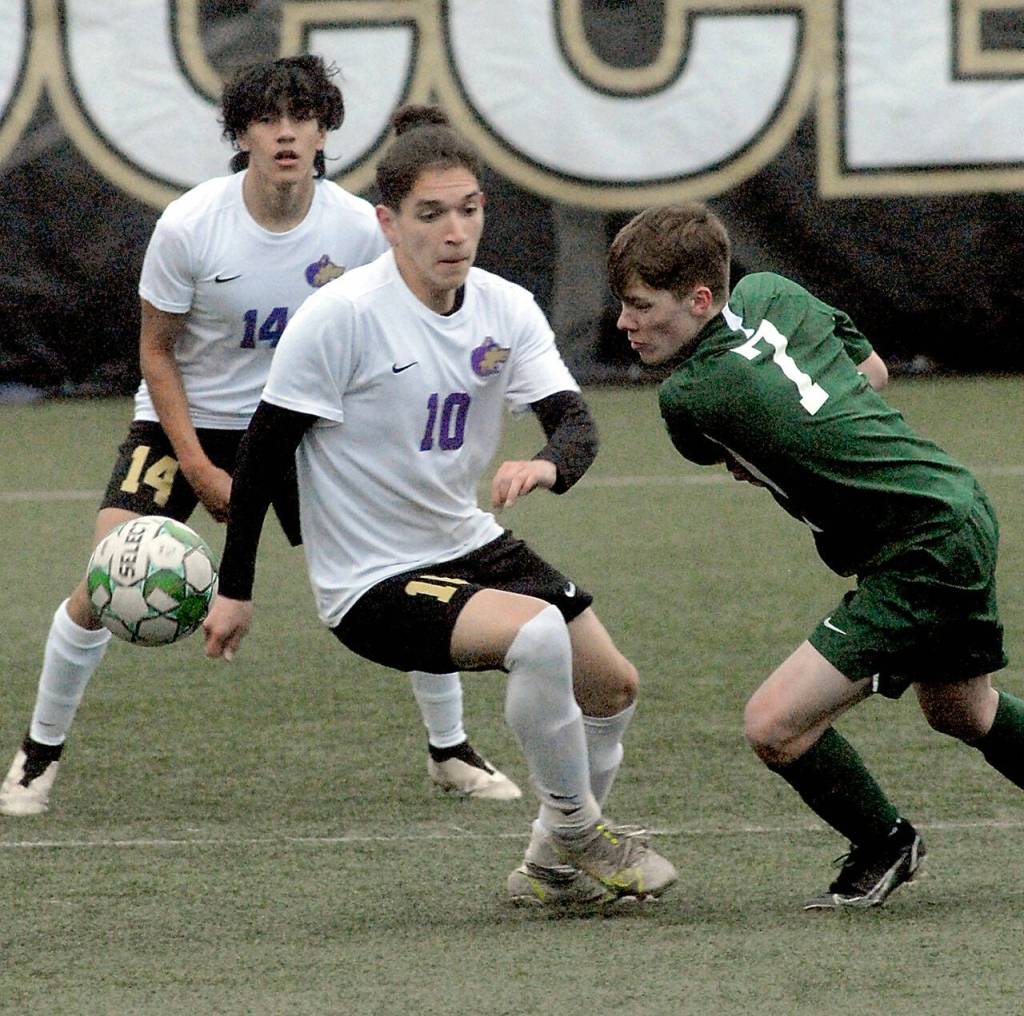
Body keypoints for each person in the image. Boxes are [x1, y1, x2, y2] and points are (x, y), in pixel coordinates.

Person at [0, 56, 518, 819]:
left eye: (302, 118)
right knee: (108, 577)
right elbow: (156, 353)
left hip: (309, 426)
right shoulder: (190, 226)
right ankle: (37, 756)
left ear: (324, 131)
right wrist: (198, 465)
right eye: (267, 119)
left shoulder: (356, 229)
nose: (285, 134)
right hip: (190, 419)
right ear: (240, 134)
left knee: (415, 567)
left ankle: (450, 750)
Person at [202, 103, 678, 906]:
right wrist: (236, 588)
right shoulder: (341, 317)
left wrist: (547, 466)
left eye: (469, 209)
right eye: (430, 214)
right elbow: (262, 455)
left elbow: (575, 423)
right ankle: (579, 829)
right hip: (370, 581)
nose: (455, 232)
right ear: (388, 223)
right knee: (536, 635)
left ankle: (549, 870)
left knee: (612, 686)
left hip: (467, 542)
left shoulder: (505, 307)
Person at [608, 200, 1024, 909]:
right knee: (962, 708)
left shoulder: (690, 397)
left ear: (700, 299)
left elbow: (738, 459)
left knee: (774, 724)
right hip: (953, 503)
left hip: (919, 548)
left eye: (642, 306)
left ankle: (886, 843)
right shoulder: (773, 290)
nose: (625, 322)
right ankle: (888, 844)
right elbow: (872, 371)